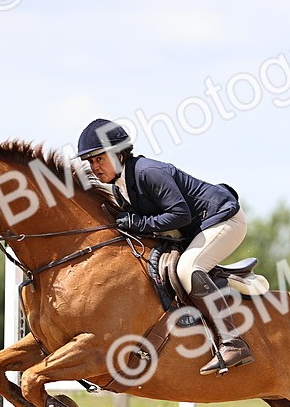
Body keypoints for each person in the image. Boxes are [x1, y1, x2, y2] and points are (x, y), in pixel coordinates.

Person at [76, 118, 253, 375]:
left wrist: (137, 222)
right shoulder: (119, 187)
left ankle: (233, 342)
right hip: (196, 228)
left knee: (188, 269)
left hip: (224, 219)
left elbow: (179, 214)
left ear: (118, 154)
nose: (94, 167)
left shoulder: (148, 172)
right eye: (90, 162)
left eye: (99, 159)